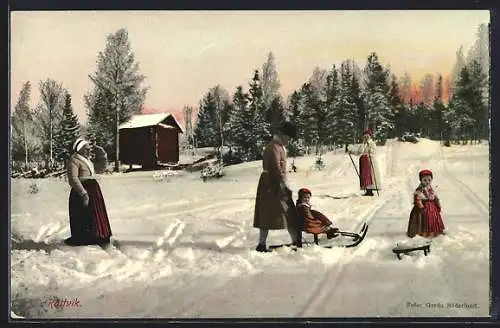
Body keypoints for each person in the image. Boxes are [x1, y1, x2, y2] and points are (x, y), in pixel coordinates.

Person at [253, 121, 301, 252]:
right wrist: (283, 185)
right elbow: (275, 168)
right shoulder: (273, 147)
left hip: (274, 182)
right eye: (289, 138)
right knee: (276, 213)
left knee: (282, 212)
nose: (289, 141)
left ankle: (295, 240)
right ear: (283, 135)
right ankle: (263, 244)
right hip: (272, 183)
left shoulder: (278, 146)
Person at [64, 138, 112, 247]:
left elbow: (100, 169)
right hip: (81, 191)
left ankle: (98, 235)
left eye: (89, 149)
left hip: (93, 191)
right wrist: (83, 193)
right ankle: (83, 238)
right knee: (82, 214)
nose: (88, 151)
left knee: (94, 214)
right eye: (86, 149)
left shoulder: (87, 161)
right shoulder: (74, 160)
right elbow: (73, 179)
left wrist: (102, 154)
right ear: (79, 149)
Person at [406, 169, 445, 238]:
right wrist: (421, 206)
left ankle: (434, 232)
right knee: (423, 219)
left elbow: (435, 197)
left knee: (433, 218)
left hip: (432, 207)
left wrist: (438, 204)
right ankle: (423, 233)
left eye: (429, 180)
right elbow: (417, 198)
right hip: (422, 208)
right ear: (421, 180)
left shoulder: (431, 188)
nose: (427, 182)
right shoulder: (419, 189)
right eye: (425, 180)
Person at [349, 128, 381, 196]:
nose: (366, 137)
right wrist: (351, 152)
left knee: (369, 176)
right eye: (365, 136)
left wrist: (370, 151)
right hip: (363, 162)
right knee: (364, 176)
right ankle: (367, 190)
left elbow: (374, 151)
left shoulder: (372, 143)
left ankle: (370, 191)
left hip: (369, 161)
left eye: (367, 136)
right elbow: (359, 152)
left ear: (370, 136)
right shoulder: (363, 144)